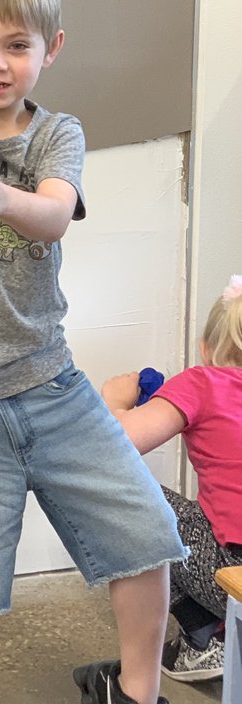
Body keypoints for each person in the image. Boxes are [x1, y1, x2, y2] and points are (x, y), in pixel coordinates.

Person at [0, 0, 187, 704]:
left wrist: (3, 197)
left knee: (143, 531)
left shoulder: (60, 133)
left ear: (50, 49)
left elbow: (56, 213)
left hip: (49, 384)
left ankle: (137, 692)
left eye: (16, 45)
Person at [101, 275, 242, 683]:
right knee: (201, 517)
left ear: (205, 347)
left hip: (231, 573)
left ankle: (204, 636)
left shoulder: (202, 382)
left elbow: (117, 444)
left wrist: (113, 401)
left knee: (118, 495)